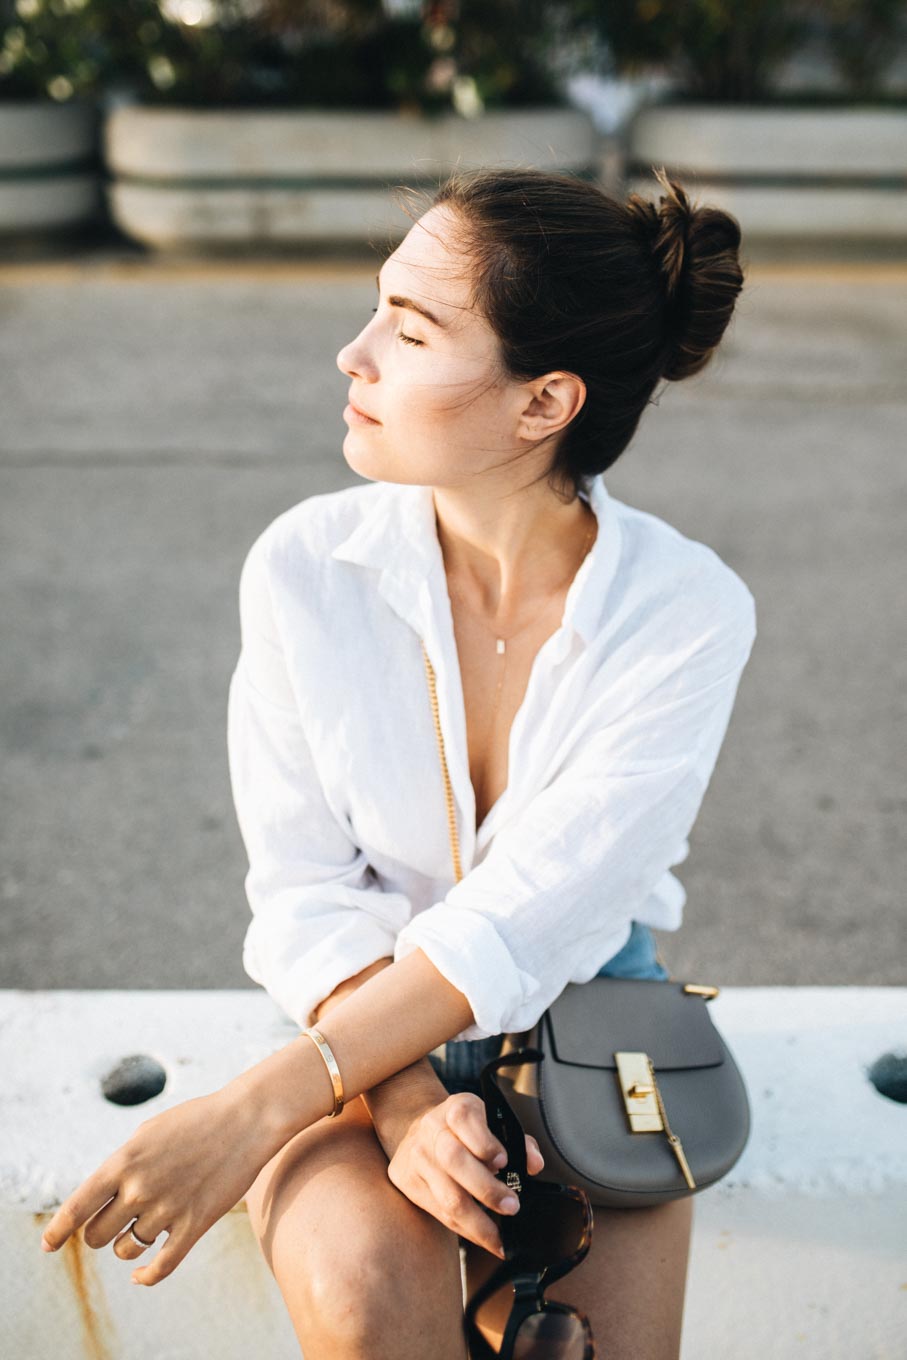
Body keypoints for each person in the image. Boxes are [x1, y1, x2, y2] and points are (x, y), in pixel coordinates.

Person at [38, 166, 755, 1360]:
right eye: (376, 308)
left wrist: (261, 1102)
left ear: (543, 405)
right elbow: (303, 890)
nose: (352, 353)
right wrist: (400, 1094)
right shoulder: (305, 567)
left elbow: (542, 913)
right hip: (349, 1017)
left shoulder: (684, 611)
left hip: (586, 1023)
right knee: (372, 1304)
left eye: (411, 328)